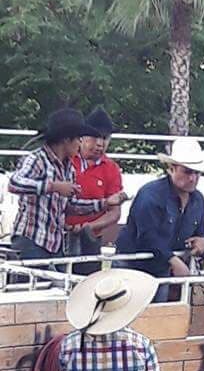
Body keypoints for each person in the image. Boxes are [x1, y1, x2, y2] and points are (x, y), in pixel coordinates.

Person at [9, 108, 126, 261]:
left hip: (54, 242)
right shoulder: (37, 159)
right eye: (78, 138)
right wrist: (53, 186)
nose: (79, 143)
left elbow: (70, 205)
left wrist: (104, 203)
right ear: (66, 140)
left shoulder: (67, 168)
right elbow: (14, 183)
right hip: (31, 239)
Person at [116, 137, 204, 301]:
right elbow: (147, 237)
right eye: (187, 171)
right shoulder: (150, 196)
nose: (193, 178)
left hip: (161, 268)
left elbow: (199, 233)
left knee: (159, 315)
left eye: (197, 172)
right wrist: (173, 261)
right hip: (133, 267)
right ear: (171, 169)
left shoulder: (198, 200)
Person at [66, 106, 124, 269]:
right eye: (94, 137)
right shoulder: (67, 160)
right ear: (82, 138)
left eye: (104, 138)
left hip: (91, 237)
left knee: (86, 282)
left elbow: (115, 212)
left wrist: (88, 227)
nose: (99, 143)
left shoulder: (111, 168)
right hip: (60, 235)